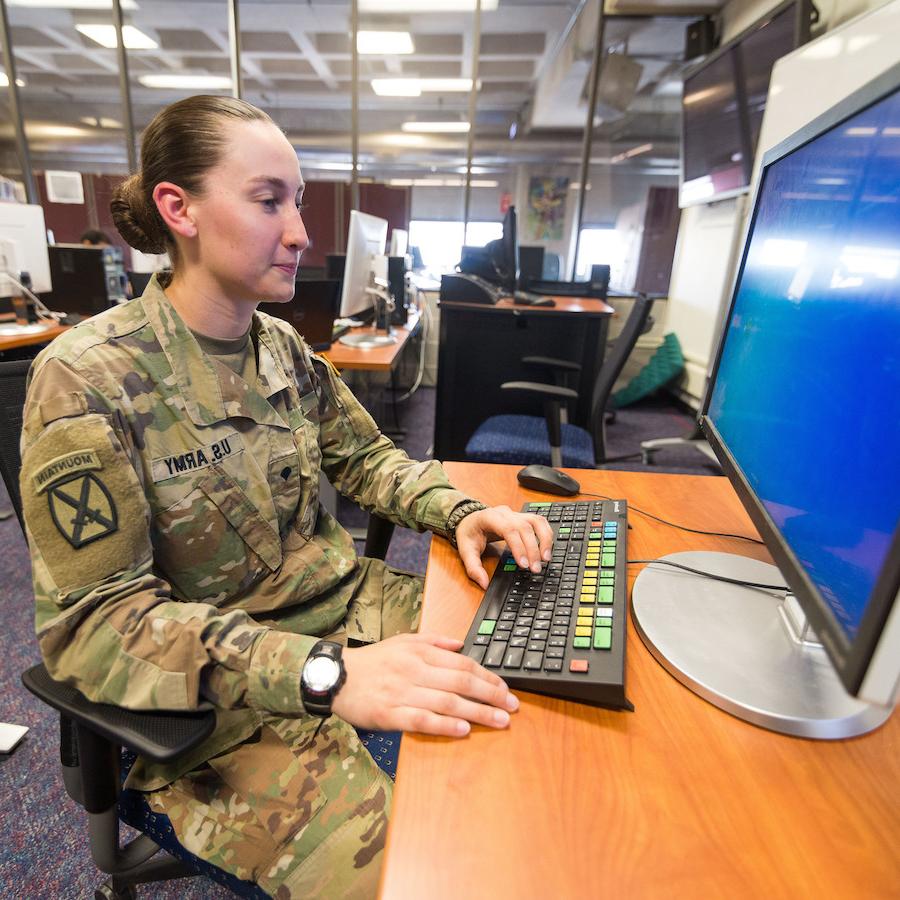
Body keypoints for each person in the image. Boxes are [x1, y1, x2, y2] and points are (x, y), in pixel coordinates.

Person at [20, 95, 554, 898]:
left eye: (297, 201)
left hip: (344, 613)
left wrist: (461, 510)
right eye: (270, 200)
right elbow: (98, 627)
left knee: (547, 673)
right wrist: (326, 676)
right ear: (180, 208)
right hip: (213, 714)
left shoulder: (278, 347)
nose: (301, 231)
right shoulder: (87, 377)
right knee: (433, 878)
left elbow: (368, 458)